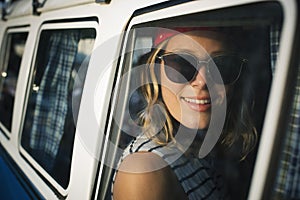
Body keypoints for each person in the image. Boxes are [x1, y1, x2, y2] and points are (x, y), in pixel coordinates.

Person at [111, 27, 257, 200]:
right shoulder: (143, 172)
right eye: (182, 63)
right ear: (156, 73)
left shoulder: (205, 148)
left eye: (222, 65)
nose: (202, 82)